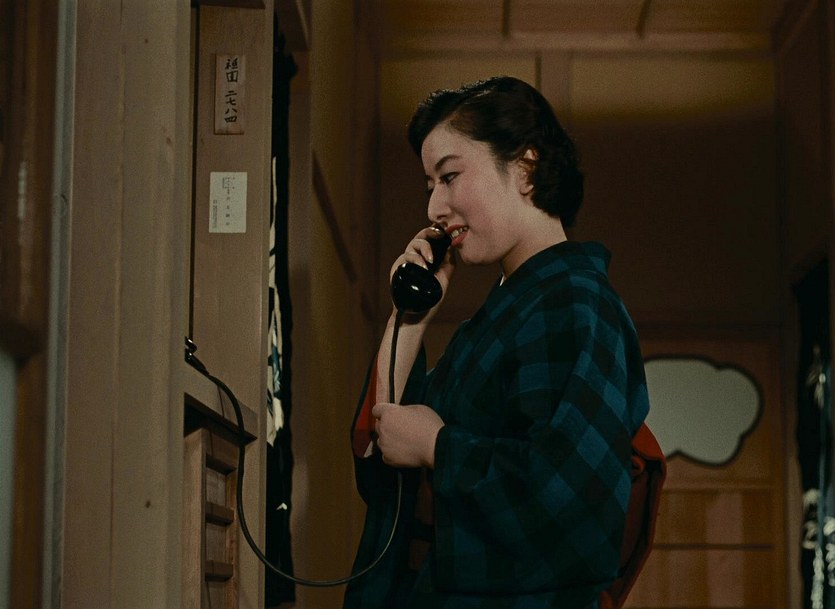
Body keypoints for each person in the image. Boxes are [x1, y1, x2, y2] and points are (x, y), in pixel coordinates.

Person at [345, 76, 651, 608]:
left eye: (450, 177)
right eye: (429, 186)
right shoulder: (503, 313)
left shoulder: (574, 300)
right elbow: (387, 466)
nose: (434, 208)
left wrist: (438, 447)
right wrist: (409, 319)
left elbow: (570, 498)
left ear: (526, 169)